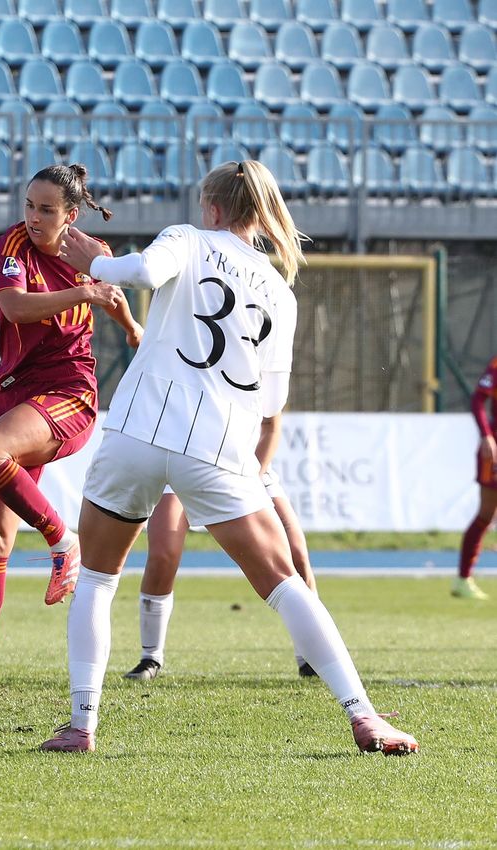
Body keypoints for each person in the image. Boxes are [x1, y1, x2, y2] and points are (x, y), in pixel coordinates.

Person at [45, 160, 418, 755]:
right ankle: (364, 715)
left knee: (95, 578)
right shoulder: (279, 291)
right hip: (216, 447)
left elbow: (139, 271)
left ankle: (82, 725)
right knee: (285, 585)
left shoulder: (187, 239)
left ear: (213, 208)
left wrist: (91, 258)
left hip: (140, 432)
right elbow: (272, 400)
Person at [0, 164, 143, 693]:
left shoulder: (90, 251)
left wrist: (133, 331)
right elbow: (14, 308)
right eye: (28, 205)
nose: (33, 217)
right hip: (15, 389)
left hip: (68, 390)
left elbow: (112, 292)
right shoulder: (12, 246)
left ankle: (64, 543)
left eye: (45, 209)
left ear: (71, 214)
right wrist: (82, 296)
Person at [123, 414, 320, 681]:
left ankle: (311, 656)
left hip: (244, 466)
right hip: (183, 460)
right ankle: (150, 657)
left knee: (296, 553)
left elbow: (271, 427)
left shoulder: (266, 371)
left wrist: (253, 475)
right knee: (163, 554)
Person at [455, 355, 497, 600]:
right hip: (494, 451)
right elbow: (478, 399)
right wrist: (486, 435)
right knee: (486, 514)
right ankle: (463, 579)